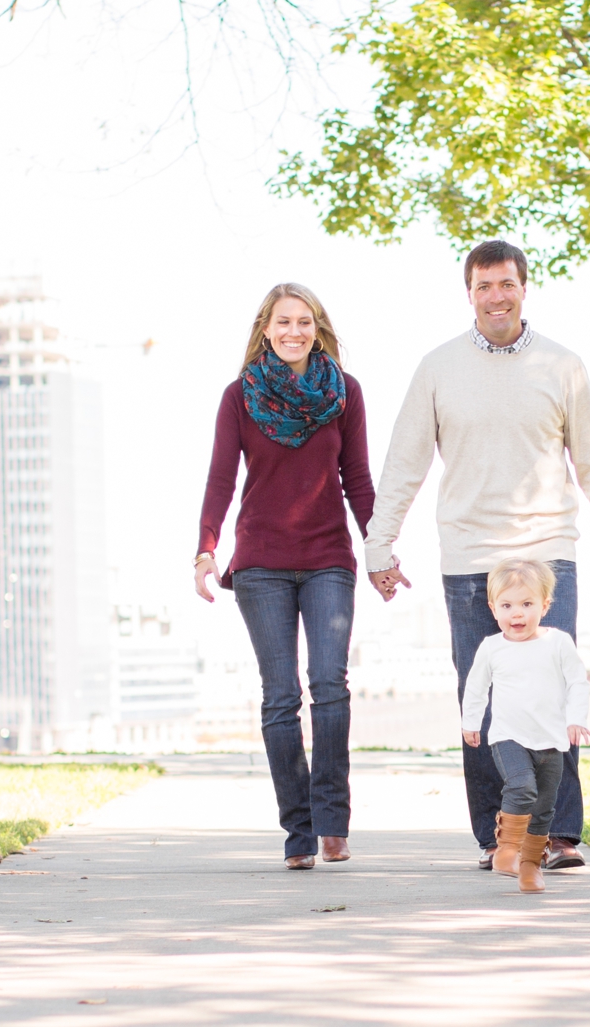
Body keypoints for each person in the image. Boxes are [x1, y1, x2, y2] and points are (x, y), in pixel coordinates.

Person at [365, 239, 590, 871]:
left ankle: (559, 834)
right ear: (469, 293)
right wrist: (380, 542)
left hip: (548, 552)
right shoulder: (437, 367)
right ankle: (499, 838)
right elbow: (404, 461)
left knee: (553, 686)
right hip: (469, 555)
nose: (496, 296)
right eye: (484, 286)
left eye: (506, 284)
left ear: (523, 288)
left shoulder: (563, 366)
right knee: (480, 696)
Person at [195, 283, 383, 870]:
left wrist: (381, 551)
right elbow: (221, 480)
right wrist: (205, 550)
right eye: (284, 322)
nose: (294, 331)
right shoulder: (239, 396)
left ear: (318, 327)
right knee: (281, 700)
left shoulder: (344, 393)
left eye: (305, 321)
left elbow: (358, 479)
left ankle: (333, 822)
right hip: (260, 566)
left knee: (329, 684)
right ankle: (297, 831)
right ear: (266, 328)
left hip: (329, 557)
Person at [460, 559, 590, 893]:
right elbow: (475, 688)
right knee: (522, 788)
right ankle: (506, 850)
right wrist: (471, 723)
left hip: (551, 742)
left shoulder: (558, 642)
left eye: (526, 604)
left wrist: (577, 718)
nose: (516, 614)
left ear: (545, 606)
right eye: (506, 605)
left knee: (544, 809)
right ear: (493, 608)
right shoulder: (492, 647)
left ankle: (531, 867)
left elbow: (578, 682)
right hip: (508, 736)